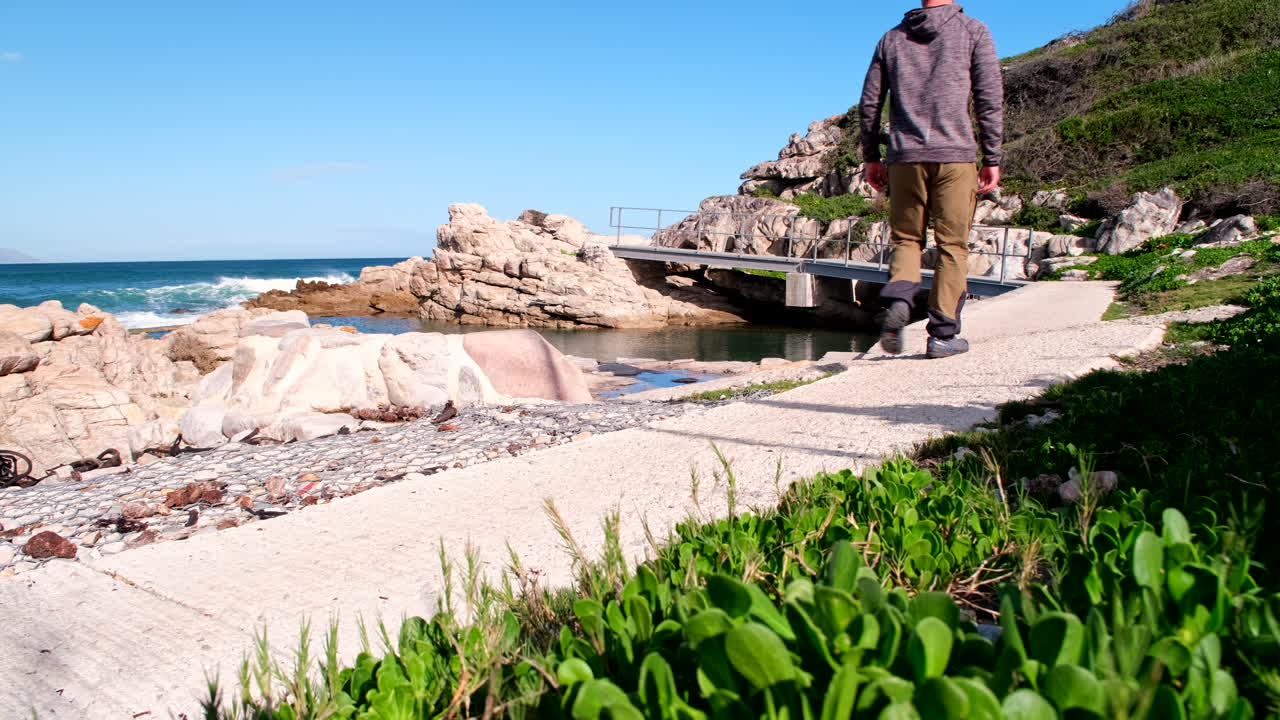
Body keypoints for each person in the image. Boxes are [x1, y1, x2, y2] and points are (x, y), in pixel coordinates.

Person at [858, 0, 1004, 358]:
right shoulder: (973, 30)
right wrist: (992, 157)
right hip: (955, 156)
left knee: (907, 240)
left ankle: (898, 302)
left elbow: (870, 104)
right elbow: (989, 97)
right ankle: (942, 335)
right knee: (952, 246)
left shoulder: (891, 39)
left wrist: (871, 157)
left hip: (904, 158)